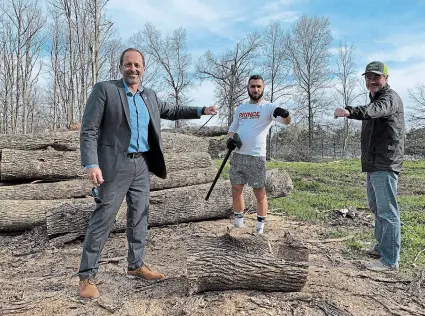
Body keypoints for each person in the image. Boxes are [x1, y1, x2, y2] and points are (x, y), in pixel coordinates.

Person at [78, 48, 217, 299]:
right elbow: (88, 129)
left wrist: (202, 110)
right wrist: (92, 164)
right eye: (128, 64)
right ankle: (86, 276)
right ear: (121, 67)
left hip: (142, 165)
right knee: (104, 218)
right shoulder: (105, 90)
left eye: (137, 65)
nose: (133, 69)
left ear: (144, 68)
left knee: (140, 215)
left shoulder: (149, 96)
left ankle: (136, 265)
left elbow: (172, 111)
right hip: (114, 166)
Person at [334, 61, 405, 272]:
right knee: (377, 208)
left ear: (386, 79)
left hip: (385, 162)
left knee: (387, 211)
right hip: (374, 163)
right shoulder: (375, 99)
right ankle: (381, 248)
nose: (372, 81)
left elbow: (374, 110)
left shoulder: (389, 99)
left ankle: (389, 261)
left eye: (376, 77)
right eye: (368, 78)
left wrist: (349, 111)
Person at [226, 75, 291, 234]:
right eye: (252, 86)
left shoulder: (268, 108)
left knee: (259, 191)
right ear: (248, 88)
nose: (255, 89)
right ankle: (238, 223)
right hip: (238, 155)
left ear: (263, 88)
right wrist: (230, 141)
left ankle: (260, 227)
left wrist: (285, 113)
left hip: (256, 157)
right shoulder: (241, 109)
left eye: (258, 86)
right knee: (236, 188)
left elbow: (287, 122)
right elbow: (232, 130)